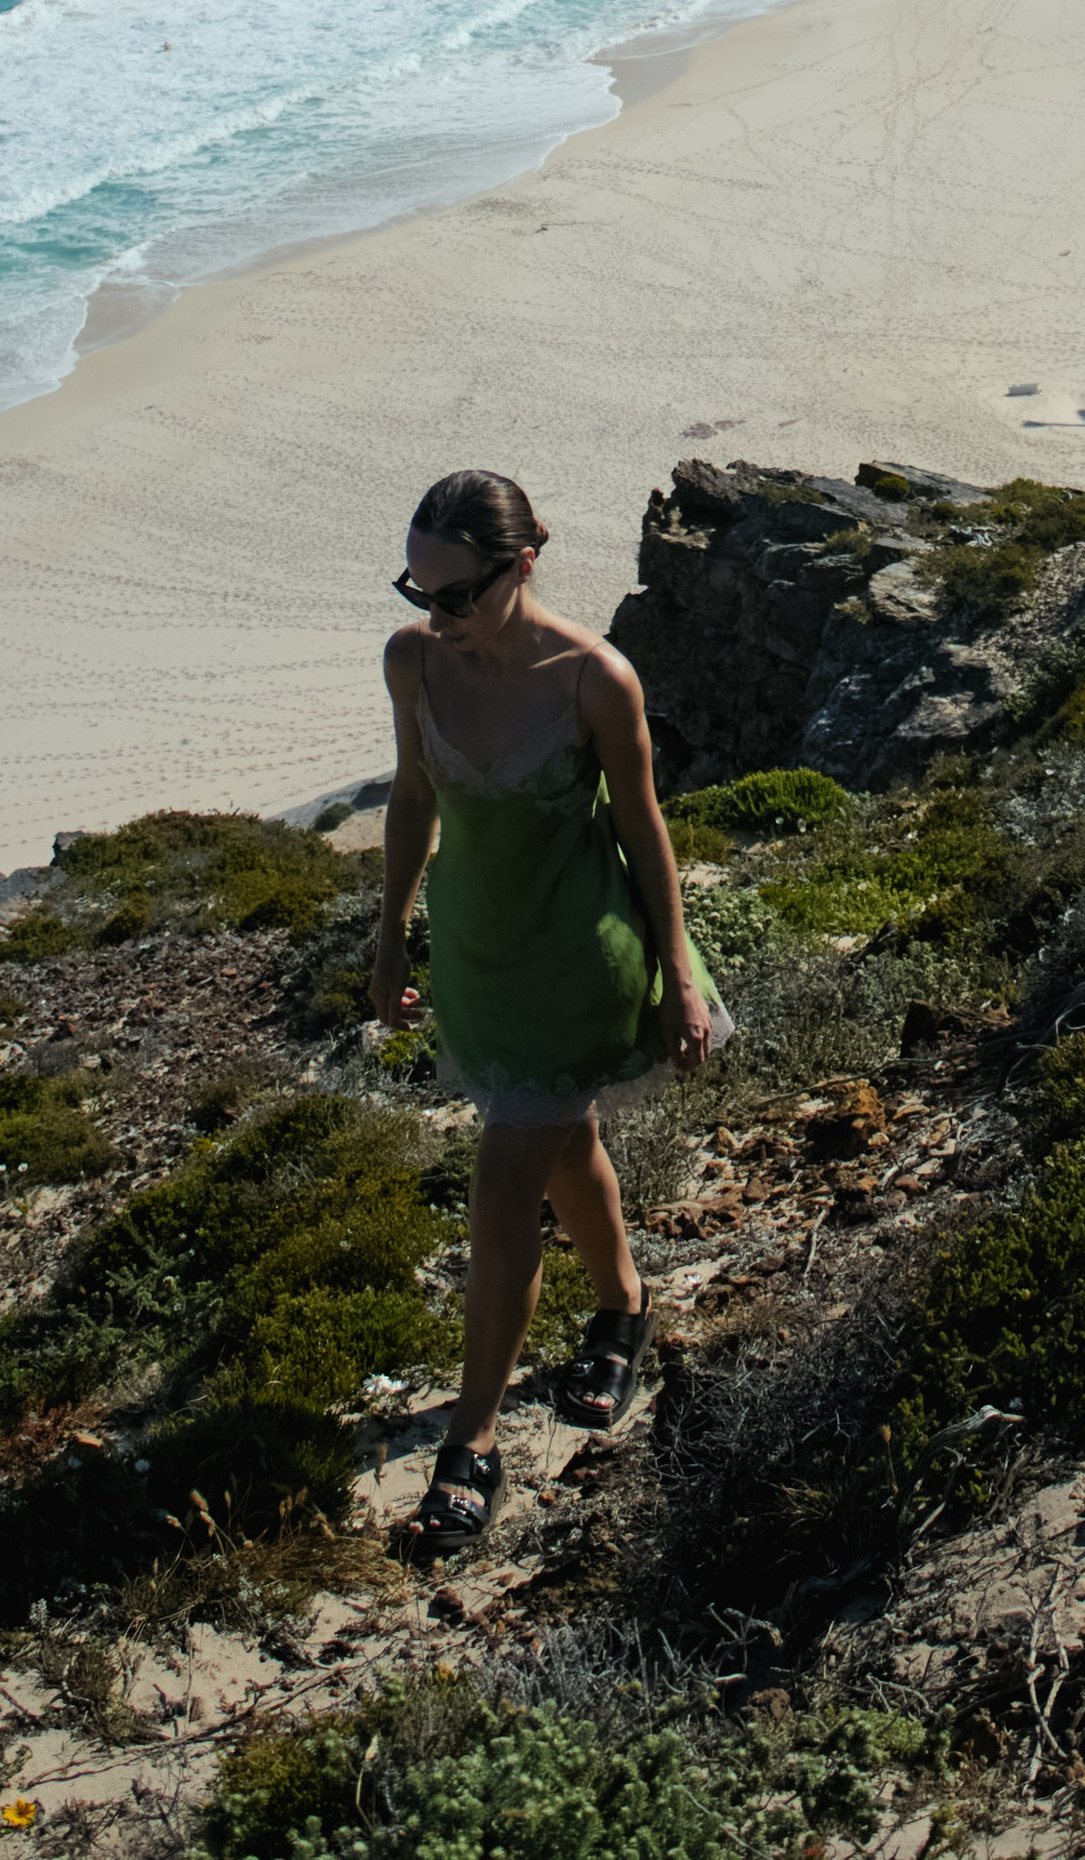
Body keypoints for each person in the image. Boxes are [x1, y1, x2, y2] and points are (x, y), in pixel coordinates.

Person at [370, 467, 726, 1556]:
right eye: (416, 590)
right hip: (479, 958)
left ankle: (470, 1445)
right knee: (560, 1136)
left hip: (581, 953)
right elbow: (414, 796)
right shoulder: (413, 661)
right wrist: (389, 933)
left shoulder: (594, 680)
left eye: (456, 595)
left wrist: (677, 971)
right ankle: (619, 1307)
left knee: (505, 1181)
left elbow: (644, 828)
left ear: (522, 565)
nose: (436, 616)